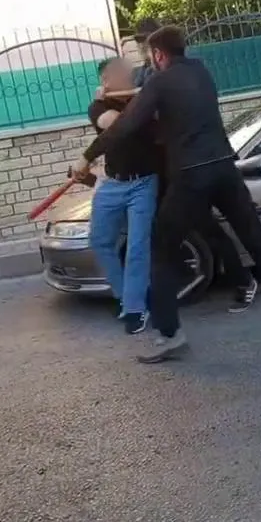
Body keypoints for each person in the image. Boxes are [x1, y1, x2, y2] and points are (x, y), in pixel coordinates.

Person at [73, 26, 261, 362]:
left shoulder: (159, 82)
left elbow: (124, 125)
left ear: (158, 55)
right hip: (226, 170)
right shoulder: (201, 71)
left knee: (161, 252)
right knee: (258, 243)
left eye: (149, 55)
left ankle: (170, 336)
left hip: (190, 176)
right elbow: (147, 89)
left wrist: (87, 157)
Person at [130, 19, 257, 313]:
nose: (143, 49)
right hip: (167, 168)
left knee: (206, 230)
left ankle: (241, 281)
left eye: (147, 42)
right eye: (140, 43)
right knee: (178, 231)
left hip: (190, 168)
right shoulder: (141, 75)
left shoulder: (182, 74)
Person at [87, 57, 160, 335]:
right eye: (118, 73)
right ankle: (124, 295)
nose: (127, 75)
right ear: (105, 80)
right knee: (100, 241)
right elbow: (114, 124)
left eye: (127, 72)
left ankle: (135, 308)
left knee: (137, 246)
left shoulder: (142, 101)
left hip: (144, 182)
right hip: (113, 183)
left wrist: (139, 97)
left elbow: (132, 122)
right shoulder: (97, 107)